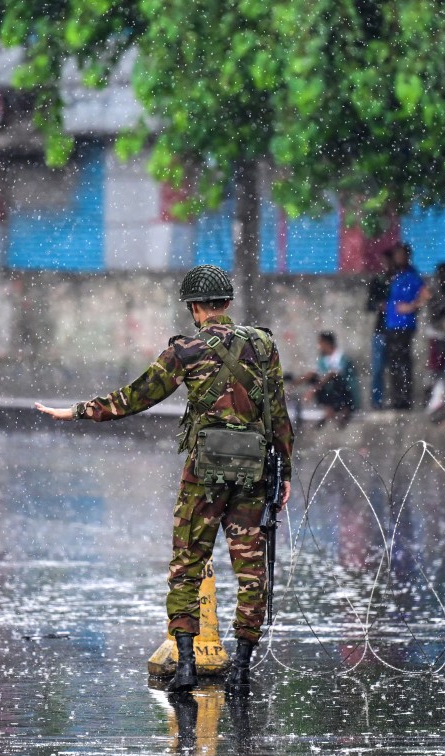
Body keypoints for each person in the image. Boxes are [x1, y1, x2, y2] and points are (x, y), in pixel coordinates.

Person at [35, 264, 293, 696]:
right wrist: (283, 472)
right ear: (227, 303)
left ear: (194, 307)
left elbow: (135, 397)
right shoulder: (263, 345)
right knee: (252, 572)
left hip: (203, 476)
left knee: (187, 565)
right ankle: (244, 669)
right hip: (254, 475)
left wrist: (78, 411)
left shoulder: (185, 350)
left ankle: (188, 664)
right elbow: (278, 413)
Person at [383, 243, 430, 409]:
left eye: (400, 255)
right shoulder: (395, 275)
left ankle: (404, 399)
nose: (397, 258)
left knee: (402, 361)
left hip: (404, 324)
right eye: (396, 255)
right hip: (391, 323)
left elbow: (426, 294)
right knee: (394, 363)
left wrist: (411, 306)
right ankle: (397, 398)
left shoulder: (412, 275)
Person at [298, 331, 357, 428]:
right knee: (313, 377)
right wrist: (292, 385)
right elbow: (313, 374)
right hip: (331, 395)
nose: (319, 346)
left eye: (320, 343)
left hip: (346, 395)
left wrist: (313, 390)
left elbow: (333, 374)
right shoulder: (323, 360)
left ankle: (341, 410)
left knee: (333, 379)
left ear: (327, 343)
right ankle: (329, 409)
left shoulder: (343, 358)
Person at [365, 255, 397, 409]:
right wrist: (380, 305)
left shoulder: (400, 281)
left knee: (395, 368)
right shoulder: (378, 282)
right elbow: (369, 305)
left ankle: (394, 400)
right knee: (378, 369)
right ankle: (377, 402)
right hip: (381, 330)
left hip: (397, 331)